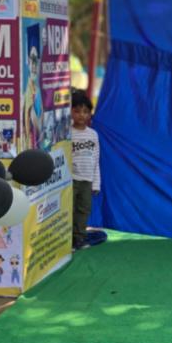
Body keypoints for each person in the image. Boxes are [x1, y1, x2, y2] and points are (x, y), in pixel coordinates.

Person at [71, 89, 101, 249]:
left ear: (90, 114)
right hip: (71, 180)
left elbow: (96, 159)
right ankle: (68, 240)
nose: (81, 115)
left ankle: (79, 238)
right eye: (77, 111)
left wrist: (96, 183)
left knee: (83, 210)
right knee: (69, 209)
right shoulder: (67, 133)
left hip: (87, 181)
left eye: (85, 112)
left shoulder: (93, 135)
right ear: (70, 112)